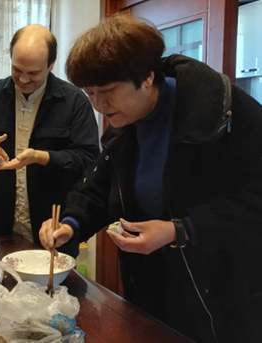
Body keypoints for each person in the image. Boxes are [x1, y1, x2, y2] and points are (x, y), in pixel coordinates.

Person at [39, 14, 262, 343]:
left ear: (146, 77)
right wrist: (70, 223)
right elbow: (100, 188)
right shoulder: (125, 122)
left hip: (221, 300)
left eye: (108, 91)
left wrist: (180, 230)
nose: (99, 105)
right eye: (90, 94)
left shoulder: (223, 114)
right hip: (151, 295)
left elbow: (254, 203)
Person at [0, 25, 99, 256]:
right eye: (17, 69)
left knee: (56, 291)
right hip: (1, 231)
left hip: (53, 232)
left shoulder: (74, 102)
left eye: (34, 73)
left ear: (51, 64)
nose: (23, 79)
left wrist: (41, 157)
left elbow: (88, 160)